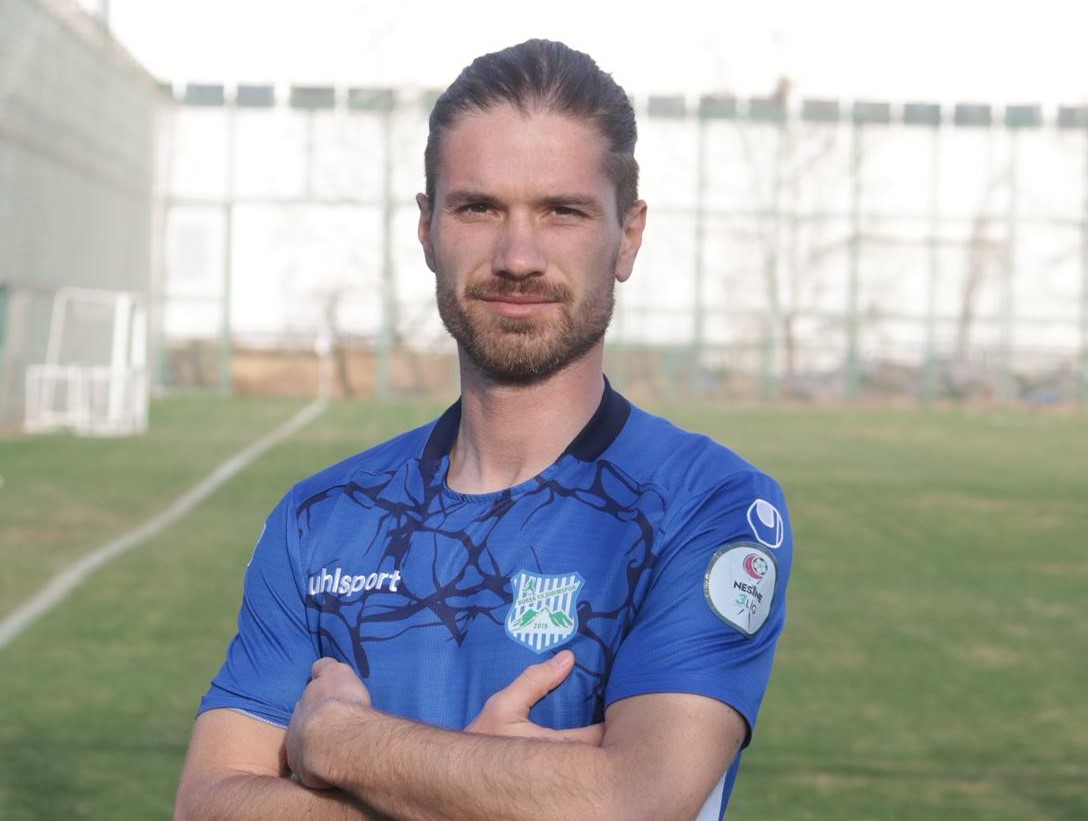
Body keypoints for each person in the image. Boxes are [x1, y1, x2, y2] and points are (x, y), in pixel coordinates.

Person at [175, 38, 792, 821]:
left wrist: (341, 741)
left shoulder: (705, 505)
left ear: (628, 237)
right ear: (428, 227)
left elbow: (634, 801)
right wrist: (494, 790)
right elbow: (208, 803)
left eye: (562, 210)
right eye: (479, 208)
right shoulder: (320, 518)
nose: (518, 256)